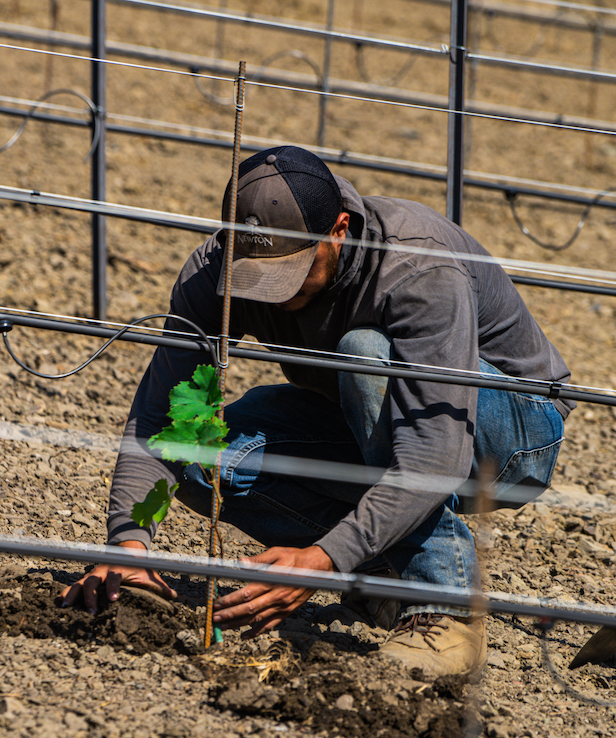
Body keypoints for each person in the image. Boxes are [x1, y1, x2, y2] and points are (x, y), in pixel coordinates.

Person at [62, 145, 573, 678]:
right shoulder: (215, 270)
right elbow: (168, 416)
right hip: (371, 418)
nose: (273, 297)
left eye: (290, 273)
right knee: (200, 457)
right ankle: (381, 580)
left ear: (339, 230)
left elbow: (437, 453)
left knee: (364, 353)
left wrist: (322, 561)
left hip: (509, 429)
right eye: (255, 276)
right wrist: (129, 543)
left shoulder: (416, 267)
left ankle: (442, 609)